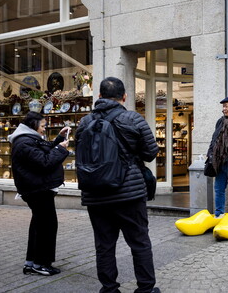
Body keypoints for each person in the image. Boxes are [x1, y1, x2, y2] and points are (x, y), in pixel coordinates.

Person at [75, 77, 160, 293]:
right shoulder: (133, 118)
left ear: (99, 97)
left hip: (95, 194)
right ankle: (146, 289)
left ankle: (110, 289)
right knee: (139, 241)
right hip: (129, 193)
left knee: (104, 245)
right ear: (124, 97)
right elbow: (151, 152)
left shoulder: (84, 123)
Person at [8, 112, 70, 276]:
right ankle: (41, 264)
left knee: (39, 224)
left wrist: (58, 139)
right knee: (47, 226)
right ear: (33, 125)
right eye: (43, 126)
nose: (44, 129)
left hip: (37, 189)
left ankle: (32, 263)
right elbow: (44, 162)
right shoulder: (24, 143)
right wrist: (60, 148)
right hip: (36, 190)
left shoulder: (28, 139)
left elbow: (43, 152)